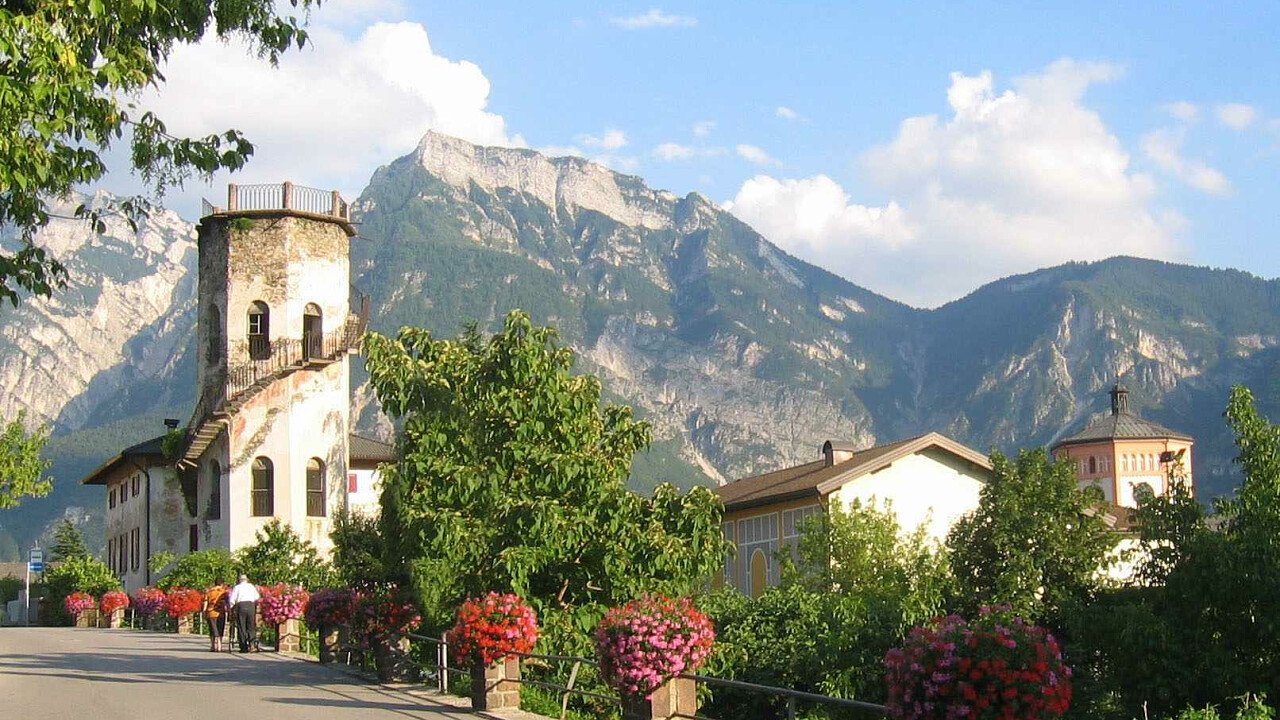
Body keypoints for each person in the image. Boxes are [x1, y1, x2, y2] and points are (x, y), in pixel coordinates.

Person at [228, 574, 261, 653]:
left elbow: (232, 600)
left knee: (241, 627)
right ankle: (252, 644)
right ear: (247, 580)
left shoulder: (237, 587)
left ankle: (243, 647)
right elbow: (257, 597)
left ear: (240, 580)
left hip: (241, 606)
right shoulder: (251, 586)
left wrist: (231, 608)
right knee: (251, 626)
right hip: (250, 606)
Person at [203, 581, 230, 652]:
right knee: (220, 628)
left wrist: (204, 611)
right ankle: (219, 646)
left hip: (210, 612)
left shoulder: (209, 591)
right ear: (221, 584)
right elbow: (227, 603)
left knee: (212, 629)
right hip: (221, 612)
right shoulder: (224, 592)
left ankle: (212, 646)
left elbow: (206, 601)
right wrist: (229, 610)